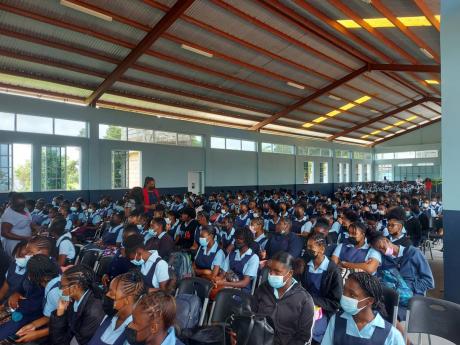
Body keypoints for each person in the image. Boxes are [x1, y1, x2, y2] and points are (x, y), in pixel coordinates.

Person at [321, 272, 405, 345]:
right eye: (344, 291)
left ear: (369, 301)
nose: (345, 297)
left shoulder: (391, 335)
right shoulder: (336, 320)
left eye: (352, 295)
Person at [251, 251, 314, 345]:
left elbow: (303, 337)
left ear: (290, 273)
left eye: (277, 272)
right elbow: (250, 315)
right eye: (270, 270)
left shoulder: (304, 300)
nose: (271, 275)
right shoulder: (263, 289)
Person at [369, 233, 434, 318]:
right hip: (392, 295)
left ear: (387, 241)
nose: (383, 251)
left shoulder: (413, 253)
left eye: (382, 247)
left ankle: (393, 330)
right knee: (372, 310)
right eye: (379, 250)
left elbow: (429, 281)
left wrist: (407, 288)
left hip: (411, 297)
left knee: (386, 314)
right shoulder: (384, 259)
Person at [299, 233, 342, 344]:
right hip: (305, 305)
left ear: (322, 249)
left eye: (311, 247)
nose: (308, 250)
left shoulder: (332, 271)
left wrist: (312, 300)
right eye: (307, 247)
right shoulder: (307, 265)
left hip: (323, 311)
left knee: (310, 330)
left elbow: (335, 303)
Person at [49, 265, 105, 345]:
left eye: (62, 286)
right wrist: (60, 313)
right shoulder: (73, 300)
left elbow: (73, 341)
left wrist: (60, 315)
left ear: (75, 287)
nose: (60, 289)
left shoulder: (93, 312)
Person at [88, 271, 146, 345]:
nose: (107, 294)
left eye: (112, 293)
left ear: (127, 300)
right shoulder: (109, 317)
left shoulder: (134, 334)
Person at [14, 255, 61, 343]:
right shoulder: (56, 279)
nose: (28, 276)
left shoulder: (54, 293)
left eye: (29, 274)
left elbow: (63, 323)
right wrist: (33, 325)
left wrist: (37, 334)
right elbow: (49, 316)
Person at [217, 228, 259, 293]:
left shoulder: (253, 258)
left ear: (247, 241)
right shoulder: (232, 253)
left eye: (240, 239)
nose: (237, 241)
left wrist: (224, 283)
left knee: (219, 293)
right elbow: (223, 273)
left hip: (242, 291)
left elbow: (244, 283)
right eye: (236, 238)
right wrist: (217, 281)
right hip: (228, 284)